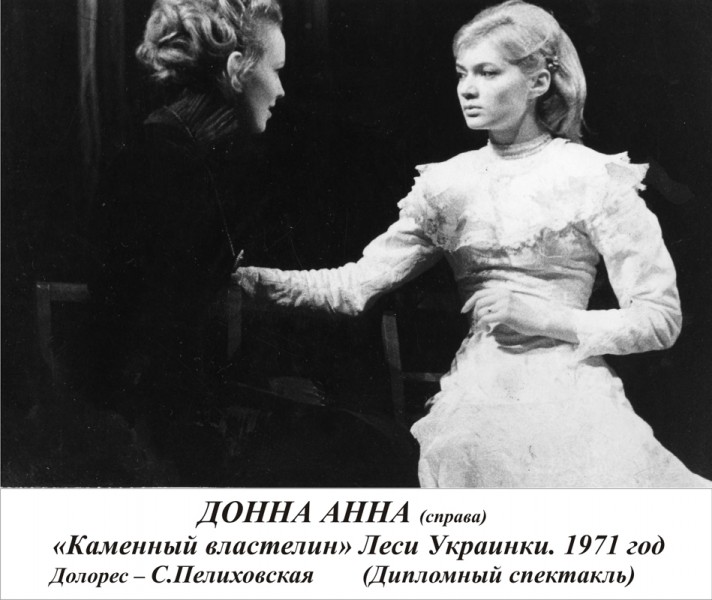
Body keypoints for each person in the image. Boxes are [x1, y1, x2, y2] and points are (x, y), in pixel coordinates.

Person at [235, 0, 711, 487]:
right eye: (462, 73)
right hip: (475, 401)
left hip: (573, 398)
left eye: (488, 72)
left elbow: (660, 319)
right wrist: (247, 281)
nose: (467, 88)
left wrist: (544, 318)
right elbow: (353, 286)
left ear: (538, 82)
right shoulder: (449, 185)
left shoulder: (593, 177)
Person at [88, 0, 285, 484]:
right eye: (277, 71)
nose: (281, 90)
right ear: (237, 70)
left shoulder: (194, 156)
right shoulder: (163, 163)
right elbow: (152, 333)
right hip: (144, 435)